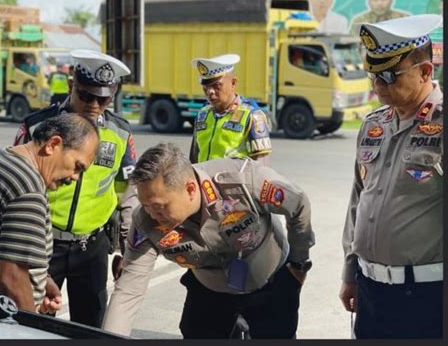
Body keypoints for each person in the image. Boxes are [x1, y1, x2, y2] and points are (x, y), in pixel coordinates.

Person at [103, 142, 315, 339]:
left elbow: (298, 204)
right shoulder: (145, 221)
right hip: (209, 289)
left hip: (270, 282)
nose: (151, 214)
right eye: (145, 205)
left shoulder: (243, 181)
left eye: (159, 206)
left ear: (190, 189)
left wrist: (299, 263)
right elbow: (129, 289)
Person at [13, 49, 139, 328]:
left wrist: (125, 247)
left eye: (103, 98)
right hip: (41, 244)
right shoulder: (38, 127)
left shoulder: (121, 133)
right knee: (33, 322)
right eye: (86, 95)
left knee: (90, 326)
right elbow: (15, 183)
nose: (94, 105)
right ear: (71, 86)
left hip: (91, 245)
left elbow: (127, 192)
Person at [340, 14, 443, 338]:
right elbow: (358, 200)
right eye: (373, 74)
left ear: (425, 71)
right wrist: (350, 272)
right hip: (371, 292)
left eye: (388, 75)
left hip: (429, 297)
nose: (377, 85)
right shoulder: (374, 125)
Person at [0, 114, 99, 314]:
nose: (75, 178)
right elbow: (12, 279)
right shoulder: (28, 188)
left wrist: (42, 280)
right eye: (77, 166)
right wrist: (31, 328)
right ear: (53, 144)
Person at [189, 54, 272, 164]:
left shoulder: (252, 116)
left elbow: (261, 167)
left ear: (233, 83)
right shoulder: (202, 115)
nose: (210, 92)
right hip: (203, 181)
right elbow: (194, 159)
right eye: (206, 87)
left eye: (216, 86)